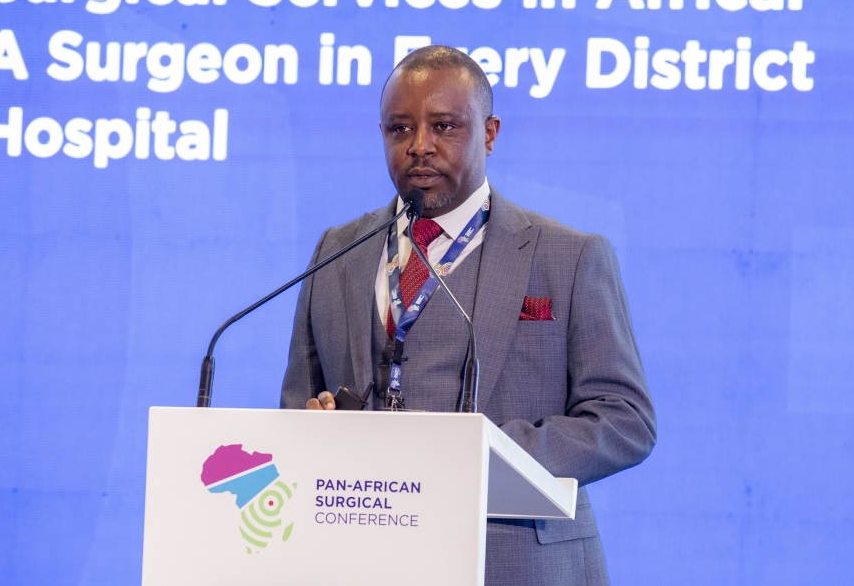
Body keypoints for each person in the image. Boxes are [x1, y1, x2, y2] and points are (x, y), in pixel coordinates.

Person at [280, 45, 655, 585]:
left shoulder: (569, 258)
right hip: (362, 557)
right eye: (399, 129)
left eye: (445, 126)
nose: (420, 147)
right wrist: (316, 428)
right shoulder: (338, 251)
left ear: (490, 132)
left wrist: (483, 455)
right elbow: (300, 401)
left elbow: (625, 422)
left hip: (515, 564)